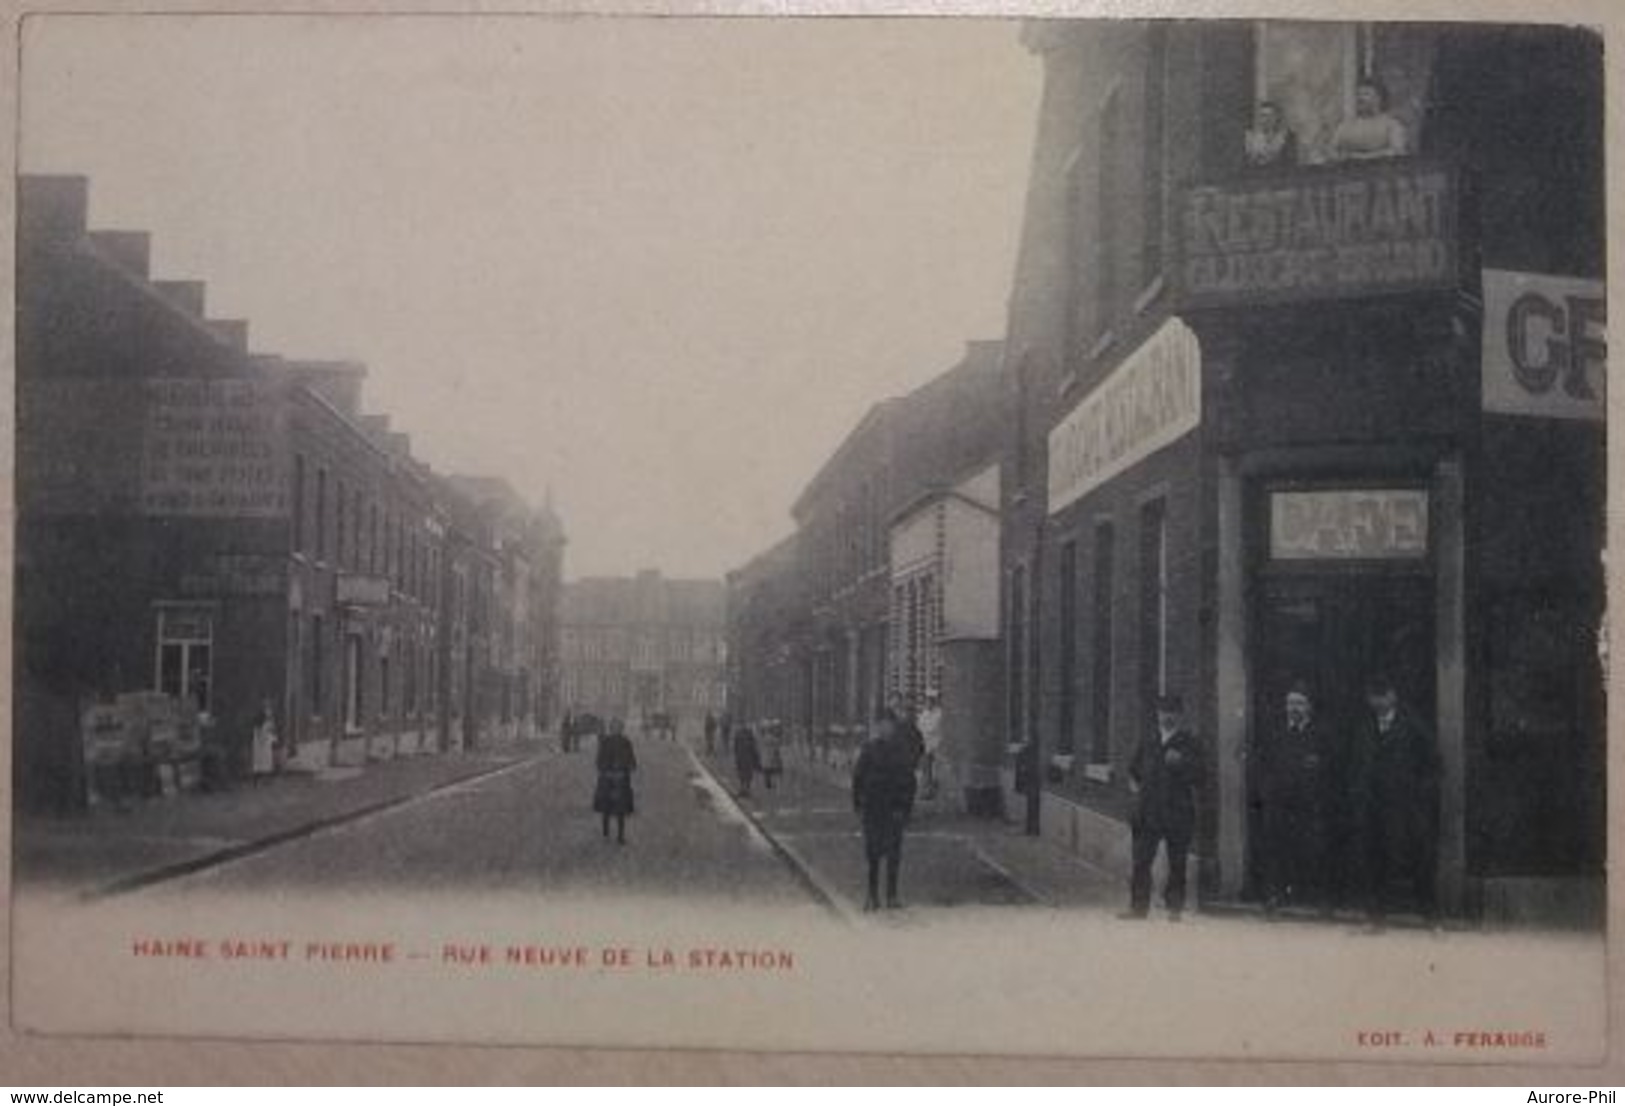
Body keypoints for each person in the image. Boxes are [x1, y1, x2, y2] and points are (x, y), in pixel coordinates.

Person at [1349, 675, 1440, 931]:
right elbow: (1356, 764)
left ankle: (1430, 914)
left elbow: (1434, 763)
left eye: (1383, 694)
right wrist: (1359, 793)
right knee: (1375, 859)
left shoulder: (1412, 725)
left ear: (1393, 696)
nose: (1377, 701)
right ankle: (1376, 915)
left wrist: (1419, 793)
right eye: (1372, 696)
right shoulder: (1364, 727)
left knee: (1416, 858)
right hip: (1373, 807)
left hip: (1406, 807)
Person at [1123, 693, 1206, 922]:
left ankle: (1174, 909)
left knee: (1177, 861)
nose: (1167, 717)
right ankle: (1138, 908)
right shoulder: (1149, 740)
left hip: (1177, 812)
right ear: (1157, 714)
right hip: (1148, 812)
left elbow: (1201, 777)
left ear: (1180, 716)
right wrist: (1138, 794)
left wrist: (1182, 763)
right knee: (1141, 860)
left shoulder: (1189, 742)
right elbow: (1133, 770)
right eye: (1163, 712)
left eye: (1172, 712)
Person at [1251, 683, 1331, 916]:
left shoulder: (1321, 734)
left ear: (1309, 707)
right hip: (1279, 804)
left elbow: (1332, 767)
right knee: (1276, 850)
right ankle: (1274, 897)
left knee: (1313, 850)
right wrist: (1266, 793)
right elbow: (1261, 764)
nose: (1293, 709)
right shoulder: (1274, 733)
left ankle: (1318, 898)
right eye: (1290, 703)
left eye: (1299, 703)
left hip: (1310, 804)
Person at [852, 707, 917, 911]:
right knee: (872, 853)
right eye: (881, 724)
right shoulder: (869, 750)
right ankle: (872, 895)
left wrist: (905, 808)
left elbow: (909, 781)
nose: (884, 729)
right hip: (873, 808)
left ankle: (891, 895)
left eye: (888, 724)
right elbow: (858, 778)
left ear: (893, 727)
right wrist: (858, 803)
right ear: (877, 727)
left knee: (893, 853)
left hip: (893, 809)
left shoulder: (901, 751)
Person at [1330, 76, 1407, 161]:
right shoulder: (1345, 125)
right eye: (1358, 94)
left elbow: (1397, 152)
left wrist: (1363, 157)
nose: (1360, 98)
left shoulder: (1391, 124)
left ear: (1378, 98)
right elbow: (1332, 151)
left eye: (1366, 94)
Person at [592, 718, 638, 845]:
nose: (617, 730)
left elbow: (599, 763)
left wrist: (607, 770)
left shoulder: (611, 742)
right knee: (617, 809)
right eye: (616, 727)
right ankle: (614, 835)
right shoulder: (623, 742)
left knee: (611, 808)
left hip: (610, 779)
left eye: (618, 727)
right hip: (619, 779)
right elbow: (632, 763)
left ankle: (613, 834)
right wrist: (626, 768)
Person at [1243, 100, 1298, 169]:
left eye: (1271, 116)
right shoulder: (1250, 137)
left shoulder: (1286, 137)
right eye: (1263, 116)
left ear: (1277, 118)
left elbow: (1290, 162)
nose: (1267, 119)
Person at [916, 692, 943, 800]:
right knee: (926, 770)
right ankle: (926, 792)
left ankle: (935, 792)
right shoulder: (923, 714)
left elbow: (935, 728)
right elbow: (920, 728)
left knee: (936, 771)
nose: (928, 704)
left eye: (931, 701)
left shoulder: (940, 714)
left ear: (934, 702)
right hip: (925, 745)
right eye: (927, 701)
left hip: (936, 744)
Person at [250, 699, 279, 786]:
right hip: (260, 742)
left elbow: (272, 729)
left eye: (270, 710)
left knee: (267, 761)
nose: (269, 712)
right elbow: (258, 730)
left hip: (267, 742)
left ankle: (266, 780)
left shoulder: (270, 719)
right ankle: (256, 780)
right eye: (267, 709)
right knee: (258, 761)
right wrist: (261, 738)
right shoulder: (259, 719)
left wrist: (274, 737)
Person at [733, 720, 762, 798]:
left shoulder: (749, 735)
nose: (745, 726)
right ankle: (744, 789)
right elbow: (735, 746)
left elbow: (754, 748)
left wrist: (756, 758)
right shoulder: (743, 734)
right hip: (743, 757)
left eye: (746, 724)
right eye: (744, 724)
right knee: (744, 774)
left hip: (746, 758)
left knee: (746, 774)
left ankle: (745, 789)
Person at [761, 720, 785, 790]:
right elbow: (776, 749)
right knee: (775, 773)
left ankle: (769, 786)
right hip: (772, 759)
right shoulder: (774, 739)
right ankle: (774, 786)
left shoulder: (765, 738)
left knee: (768, 773)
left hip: (767, 759)